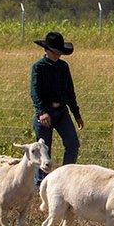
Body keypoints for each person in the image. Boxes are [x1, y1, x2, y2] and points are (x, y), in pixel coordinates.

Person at [29, 31, 83, 170]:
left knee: (73, 144)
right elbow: (35, 93)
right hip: (45, 113)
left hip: (62, 112)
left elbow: (70, 92)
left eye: (59, 52)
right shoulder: (38, 67)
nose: (57, 55)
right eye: (54, 52)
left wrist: (76, 114)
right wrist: (41, 112)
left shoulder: (64, 67)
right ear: (46, 50)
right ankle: (40, 181)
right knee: (44, 151)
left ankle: (66, 174)